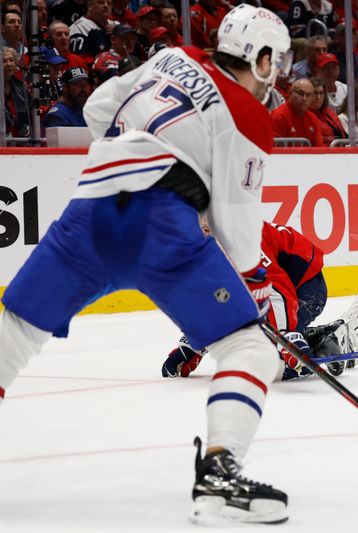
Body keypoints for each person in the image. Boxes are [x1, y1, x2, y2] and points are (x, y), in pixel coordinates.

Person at [0, 4, 294, 525]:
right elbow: (238, 221)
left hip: (90, 210)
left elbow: (96, 110)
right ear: (262, 57)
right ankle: (221, 472)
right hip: (162, 225)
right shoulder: (248, 114)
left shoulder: (172, 59)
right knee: (247, 346)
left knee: (14, 332)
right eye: (279, 61)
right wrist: (256, 286)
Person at [161, 221, 344, 381]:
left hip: (305, 289)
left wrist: (286, 337)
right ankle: (310, 338)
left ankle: (318, 340)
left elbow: (276, 288)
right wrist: (196, 344)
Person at [271, 78, 324, 146]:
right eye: (301, 93)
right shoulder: (279, 116)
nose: (304, 98)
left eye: (308, 95)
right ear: (290, 93)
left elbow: (319, 146)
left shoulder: (313, 118)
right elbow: (276, 148)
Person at [68, 0, 114, 67]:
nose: (106, 5)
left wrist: (119, 34)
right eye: (100, 2)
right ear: (89, 6)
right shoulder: (79, 27)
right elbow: (78, 60)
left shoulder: (116, 25)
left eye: (109, 3)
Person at [3, 46, 31, 138]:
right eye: (4, 61)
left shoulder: (22, 87)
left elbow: (29, 116)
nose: (9, 64)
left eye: (11, 60)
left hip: (20, 139)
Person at [309, 77, 346, 145]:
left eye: (321, 93)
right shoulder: (305, 115)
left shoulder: (330, 113)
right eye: (315, 93)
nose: (318, 97)